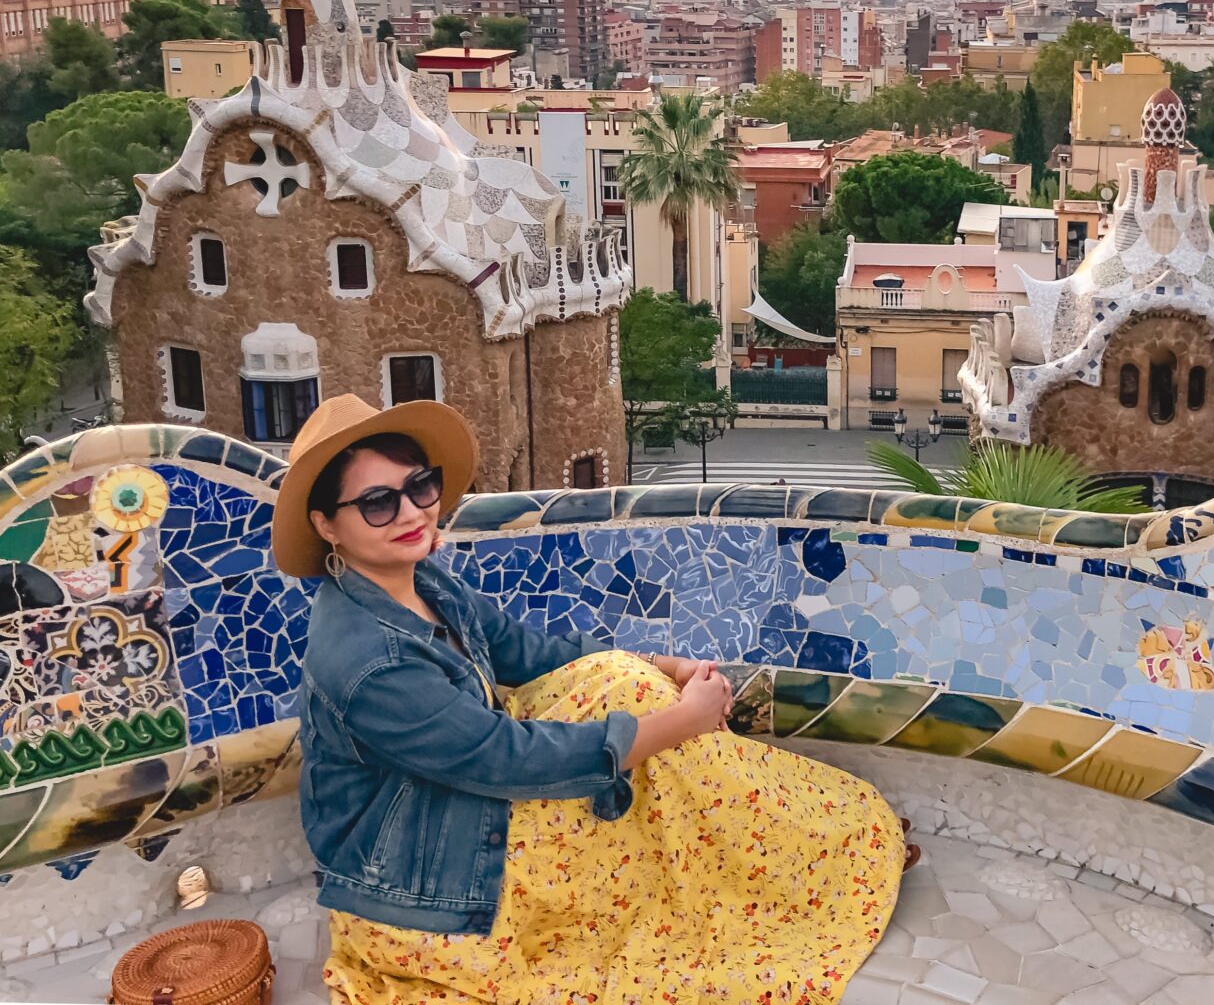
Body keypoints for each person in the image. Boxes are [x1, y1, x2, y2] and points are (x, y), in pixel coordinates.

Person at [274, 394, 912, 1004]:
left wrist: (668, 665)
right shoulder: (365, 658)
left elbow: (528, 652)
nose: (413, 513)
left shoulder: (422, 579)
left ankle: (805, 842)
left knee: (621, 680)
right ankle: (811, 849)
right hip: (423, 883)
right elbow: (505, 758)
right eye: (379, 503)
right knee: (644, 746)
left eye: (420, 487)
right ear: (327, 524)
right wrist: (681, 722)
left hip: (456, 801)